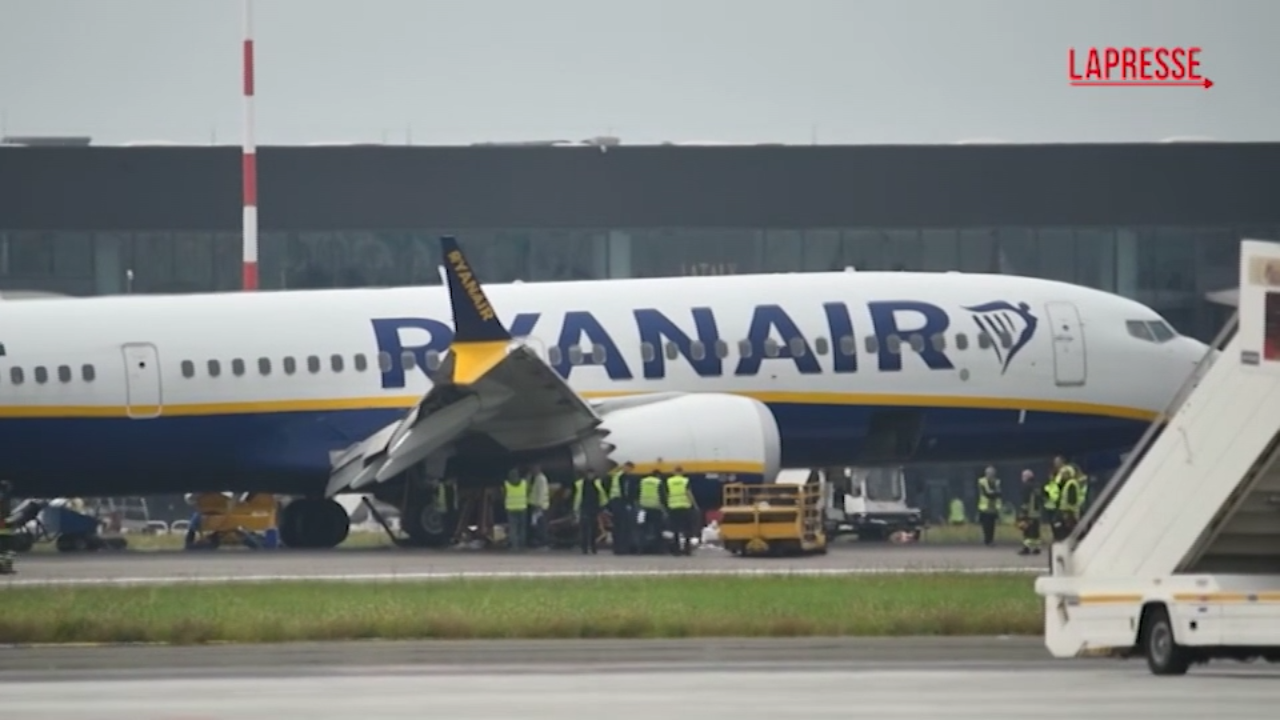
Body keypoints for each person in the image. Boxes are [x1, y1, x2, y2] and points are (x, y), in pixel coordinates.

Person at [664, 466, 695, 555]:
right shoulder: (685, 480)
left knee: (675, 529)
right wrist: (693, 504)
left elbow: (667, 494)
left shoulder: (669, 481)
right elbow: (688, 493)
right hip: (685, 506)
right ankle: (687, 549)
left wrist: (667, 505)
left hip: (673, 507)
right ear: (682, 472)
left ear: (674, 472)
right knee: (687, 529)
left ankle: (676, 550)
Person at [606, 462, 636, 555]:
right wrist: (629, 503)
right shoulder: (623, 477)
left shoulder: (616, 476)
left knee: (618, 526)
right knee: (623, 526)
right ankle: (622, 548)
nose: (629, 471)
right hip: (620, 502)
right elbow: (625, 491)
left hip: (615, 502)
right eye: (629, 468)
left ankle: (617, 548)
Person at [574, 475, 606, 555]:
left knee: (593, 529)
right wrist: (576, 508)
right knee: (585, 529)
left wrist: (602, 506)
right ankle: (585, 548)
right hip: (585, 508)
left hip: (594, 508)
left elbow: (601, 495)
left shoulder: (597, 484)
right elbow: (578, 497)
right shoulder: (580, 484)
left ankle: (593, 547)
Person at [636, 468, 665, 553]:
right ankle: (657, 549)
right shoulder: (658, 482)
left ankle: (641, 549)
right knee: (657, 529)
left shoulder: (643, 481)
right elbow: (662, 495)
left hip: (643, 508)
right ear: (658, 475)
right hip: (656, 508)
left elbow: (637, 492)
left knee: (643, 529)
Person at [1016, 469, 1042, 556]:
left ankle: (1026, 548)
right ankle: (1036, 548)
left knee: (1027, 530)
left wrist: (1023, 513)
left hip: (1029, 512)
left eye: (1023, 476)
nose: (1022, 478)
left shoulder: (1026, 486)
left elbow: (1025, 501)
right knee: (1036, 531)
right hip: (1037, 512)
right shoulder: (1037, 486)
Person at [503, 469, 529, 551]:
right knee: (522, 528)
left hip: (511, 508)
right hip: (522, 508)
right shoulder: (524, 483)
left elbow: (503, 494)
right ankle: (522, 545)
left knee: (513, 528)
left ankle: (514, 546)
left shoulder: (506, 484)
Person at [976, 466, 1002, 546]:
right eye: (989, 473)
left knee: (992, 525)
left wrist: (993, 494)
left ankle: (991, 540)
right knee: (986, 525)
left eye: (992, 473)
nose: (991, 475)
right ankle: (987, 540)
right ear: (986, 473)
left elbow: (999, 493)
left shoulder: (997, 482)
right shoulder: (982, 481)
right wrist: (994, 494)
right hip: (984, 507)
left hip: (993, 507)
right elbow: (987, 494)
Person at [528, 464, 550, 548]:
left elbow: (541, 492)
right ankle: (540, 541)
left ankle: (543, 542)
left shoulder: (541, 479)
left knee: (541, 525)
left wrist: (539, 505)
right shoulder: (537, 478)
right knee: (537, 525)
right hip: (536, 505)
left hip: (540, 506)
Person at [0, 480, 15, 574]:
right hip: (5, 524)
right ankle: (5, 567)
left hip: (5, 525)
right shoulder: (5, 497)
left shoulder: (4, 498)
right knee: (6, 550)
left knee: (6, 551)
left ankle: (5, 567)